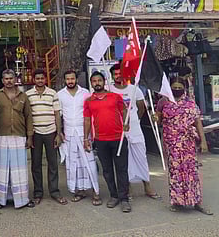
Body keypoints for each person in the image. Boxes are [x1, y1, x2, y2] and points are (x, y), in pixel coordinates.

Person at [154, 77, 213, 215]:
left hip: (188, 143)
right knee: (175, 172)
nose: (177, 89)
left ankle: (196, 201)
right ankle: (177, 201)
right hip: (172, 143)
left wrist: (203, 141)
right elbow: (158, 118)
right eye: (174, 87)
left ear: (184, 88)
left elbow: (197, 122)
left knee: (191, 172)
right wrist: (155, 118)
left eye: (179, 87)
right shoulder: (163, 101)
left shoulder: (190, 103)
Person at [108, 64, 160, 200]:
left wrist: (133, 120)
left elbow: (141, 108)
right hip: (117, 130)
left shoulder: (134, 89)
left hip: (135, 129)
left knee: (141, 157)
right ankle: (128, 188)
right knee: (124, 160)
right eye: (116, 74)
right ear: (112, 76)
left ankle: (147, 185)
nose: (118, 76)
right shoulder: (109, 90)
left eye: (121, 73)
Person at [84, 71, 131, 213]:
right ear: (91, 83)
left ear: (104, 81)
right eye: (94, 81)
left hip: (118, 138)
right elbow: (86, 120)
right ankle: (114, 196)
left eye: (99, 80)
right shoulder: (89, 101)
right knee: (107, 170)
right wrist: (86, 138)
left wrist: (126, 123)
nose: (97, 83)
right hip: (100, 140)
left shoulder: (115, 97)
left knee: (121, 169)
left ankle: (124, 199)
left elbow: (124, 110)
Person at [57, 70, 101, 205]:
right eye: (68, 79)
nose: (70, 81)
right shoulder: (60, 95)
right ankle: (79, 191)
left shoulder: (86, 93)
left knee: (89, 162)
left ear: (77, 79)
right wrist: (60, 132)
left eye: (72, 78)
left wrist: (92, 134)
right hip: (69, 133)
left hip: (84, 133)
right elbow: (58, 115)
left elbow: (92, 114)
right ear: (65, 80)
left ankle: (96, 191)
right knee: (73, 163)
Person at [0, 69, 35, 209]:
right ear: (2, 80)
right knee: (2, 169)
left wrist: (30, 137)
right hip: (1, 136)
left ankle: (22, 199)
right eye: (6, 79)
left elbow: (29, 116)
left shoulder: (23, 96)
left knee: (19, 170)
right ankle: (1, 200)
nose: (9, 81)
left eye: (11, 78)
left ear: (15, 79)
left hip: (19, 136)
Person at [25, 69, 67, 205]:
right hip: (36, 133)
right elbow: (27, 116)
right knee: (36, 164)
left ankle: (54, 191)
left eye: (42, 78)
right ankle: (38, 193)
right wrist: (29, 135)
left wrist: (58, 133)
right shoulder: (28, 95)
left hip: (51, 132)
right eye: (37, 78)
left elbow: (57, 114)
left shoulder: (52, 93)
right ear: (34, 80)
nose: (40, 81)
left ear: (45, 79)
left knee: (53, 163)